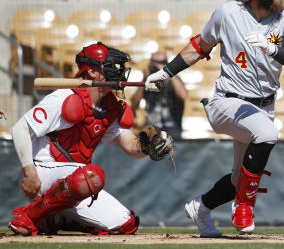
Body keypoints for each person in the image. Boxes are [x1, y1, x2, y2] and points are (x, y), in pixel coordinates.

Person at [145, 0, 284, 237]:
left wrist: (272, 49)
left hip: (263, 106)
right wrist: (167, 73)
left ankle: (200, 207)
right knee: (267, 136)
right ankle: (244, 206)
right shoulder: (227, 14)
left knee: (237, 179)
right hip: (227, 102)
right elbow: (199, 45)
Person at [8, 42, 173, 236]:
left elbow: (129, 145)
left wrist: (147, 146)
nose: (118, 72)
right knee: (93, 175)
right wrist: (29, 172)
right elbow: (20, 129)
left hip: (78, 183)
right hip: (42, 171)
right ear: (93, 72)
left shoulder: (111, 107)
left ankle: (56, 218)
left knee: (127, 224)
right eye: (111, 67)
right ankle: (28, 216)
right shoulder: (64, 97)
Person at [131, 51, 186, 139]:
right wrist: (144, 80)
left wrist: (169, 72)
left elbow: (182, 96)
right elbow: (134, 104)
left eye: (162, 63)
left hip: (172, 128)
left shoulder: (175, 80)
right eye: (155, 63)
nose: (158, 66)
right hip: (151, 128)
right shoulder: (148, 80)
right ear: (150, 63)